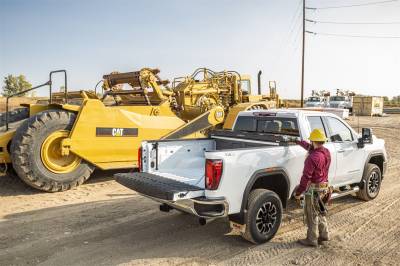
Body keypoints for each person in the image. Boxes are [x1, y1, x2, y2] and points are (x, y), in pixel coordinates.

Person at [294, 128, 331, 247]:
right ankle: (324, 235)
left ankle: (312, 239)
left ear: (313, 141)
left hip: (314, 189)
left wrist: (299, 192)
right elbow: (310, 147)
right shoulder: (326, 152)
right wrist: (298, 142)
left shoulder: (312, 158)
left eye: (311, 141)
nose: (310, 143)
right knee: (320, 211)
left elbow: (306, 177)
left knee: (311, 214)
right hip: (324, 188)